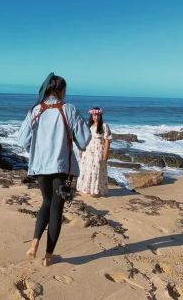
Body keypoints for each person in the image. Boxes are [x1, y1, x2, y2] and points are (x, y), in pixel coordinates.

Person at [16, 73, 91, 266]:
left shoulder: (35, 110)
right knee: (56, 209)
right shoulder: (69, 109)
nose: (66, 94)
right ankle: (48, 256)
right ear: (59, 91)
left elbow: (22, 139)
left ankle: (34, 243)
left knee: (46, 202)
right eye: (65, 90)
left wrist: (38, 147)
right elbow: (84, 139)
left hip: (40, 166)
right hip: (61, 167)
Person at [77, 107, 112, 197]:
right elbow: (85, 139)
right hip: (88, 150)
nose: (95, 117)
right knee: (87, 168)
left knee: (97, 170)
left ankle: (95, 190)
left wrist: (105, 154)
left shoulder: (104, 126)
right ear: (91, 115)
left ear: (100, 116)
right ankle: (87, 189)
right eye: (94, 115)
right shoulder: (89, 125)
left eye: (97, 115)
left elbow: (107, 141)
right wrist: (82, 149)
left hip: (98, 151)